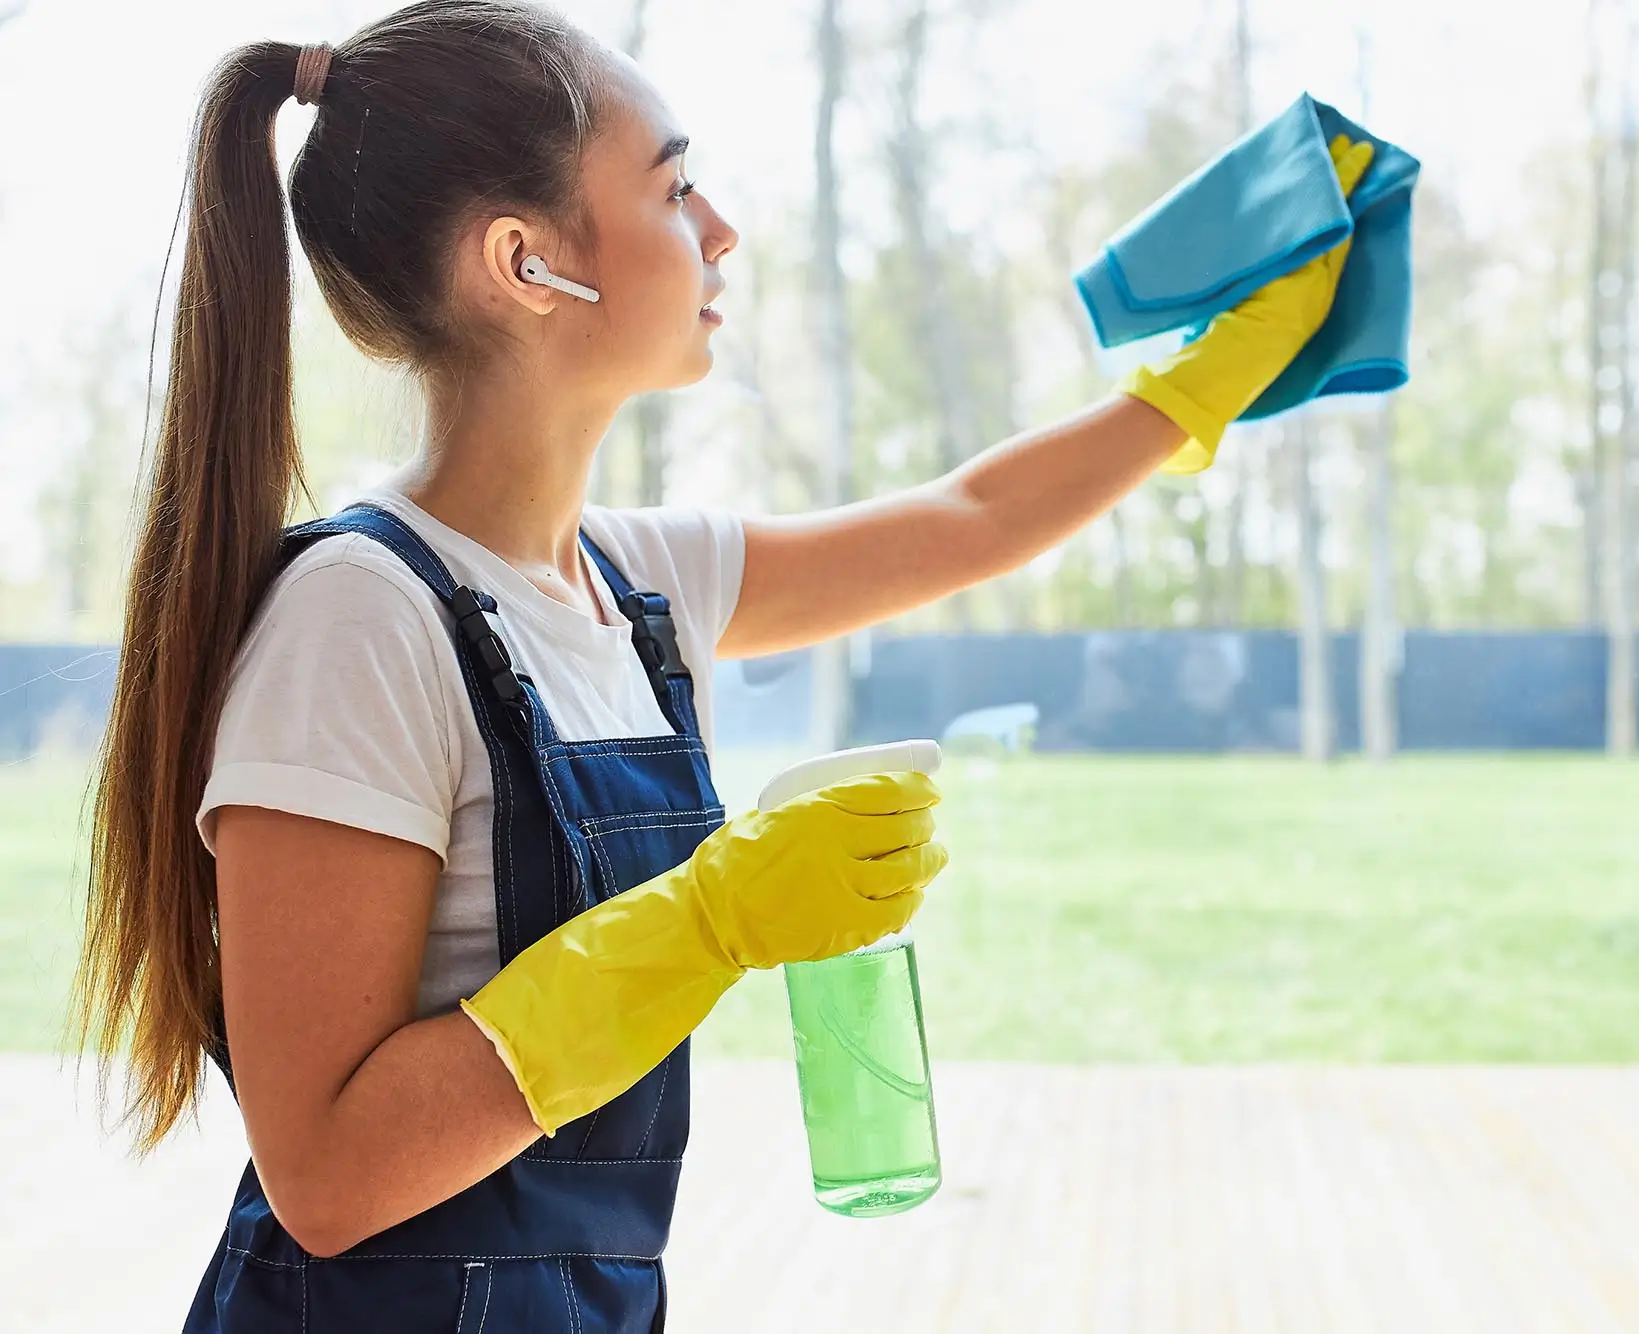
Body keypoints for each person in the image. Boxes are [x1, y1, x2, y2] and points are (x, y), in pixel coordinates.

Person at [65, 2, 1374, 1328]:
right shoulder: (361, 621)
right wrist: (709, 919)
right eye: (675, 186)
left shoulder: (635, 587)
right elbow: (328, 1175)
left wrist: (1198, 390)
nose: (722, 229)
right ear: (525, 262)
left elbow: (970, 521)